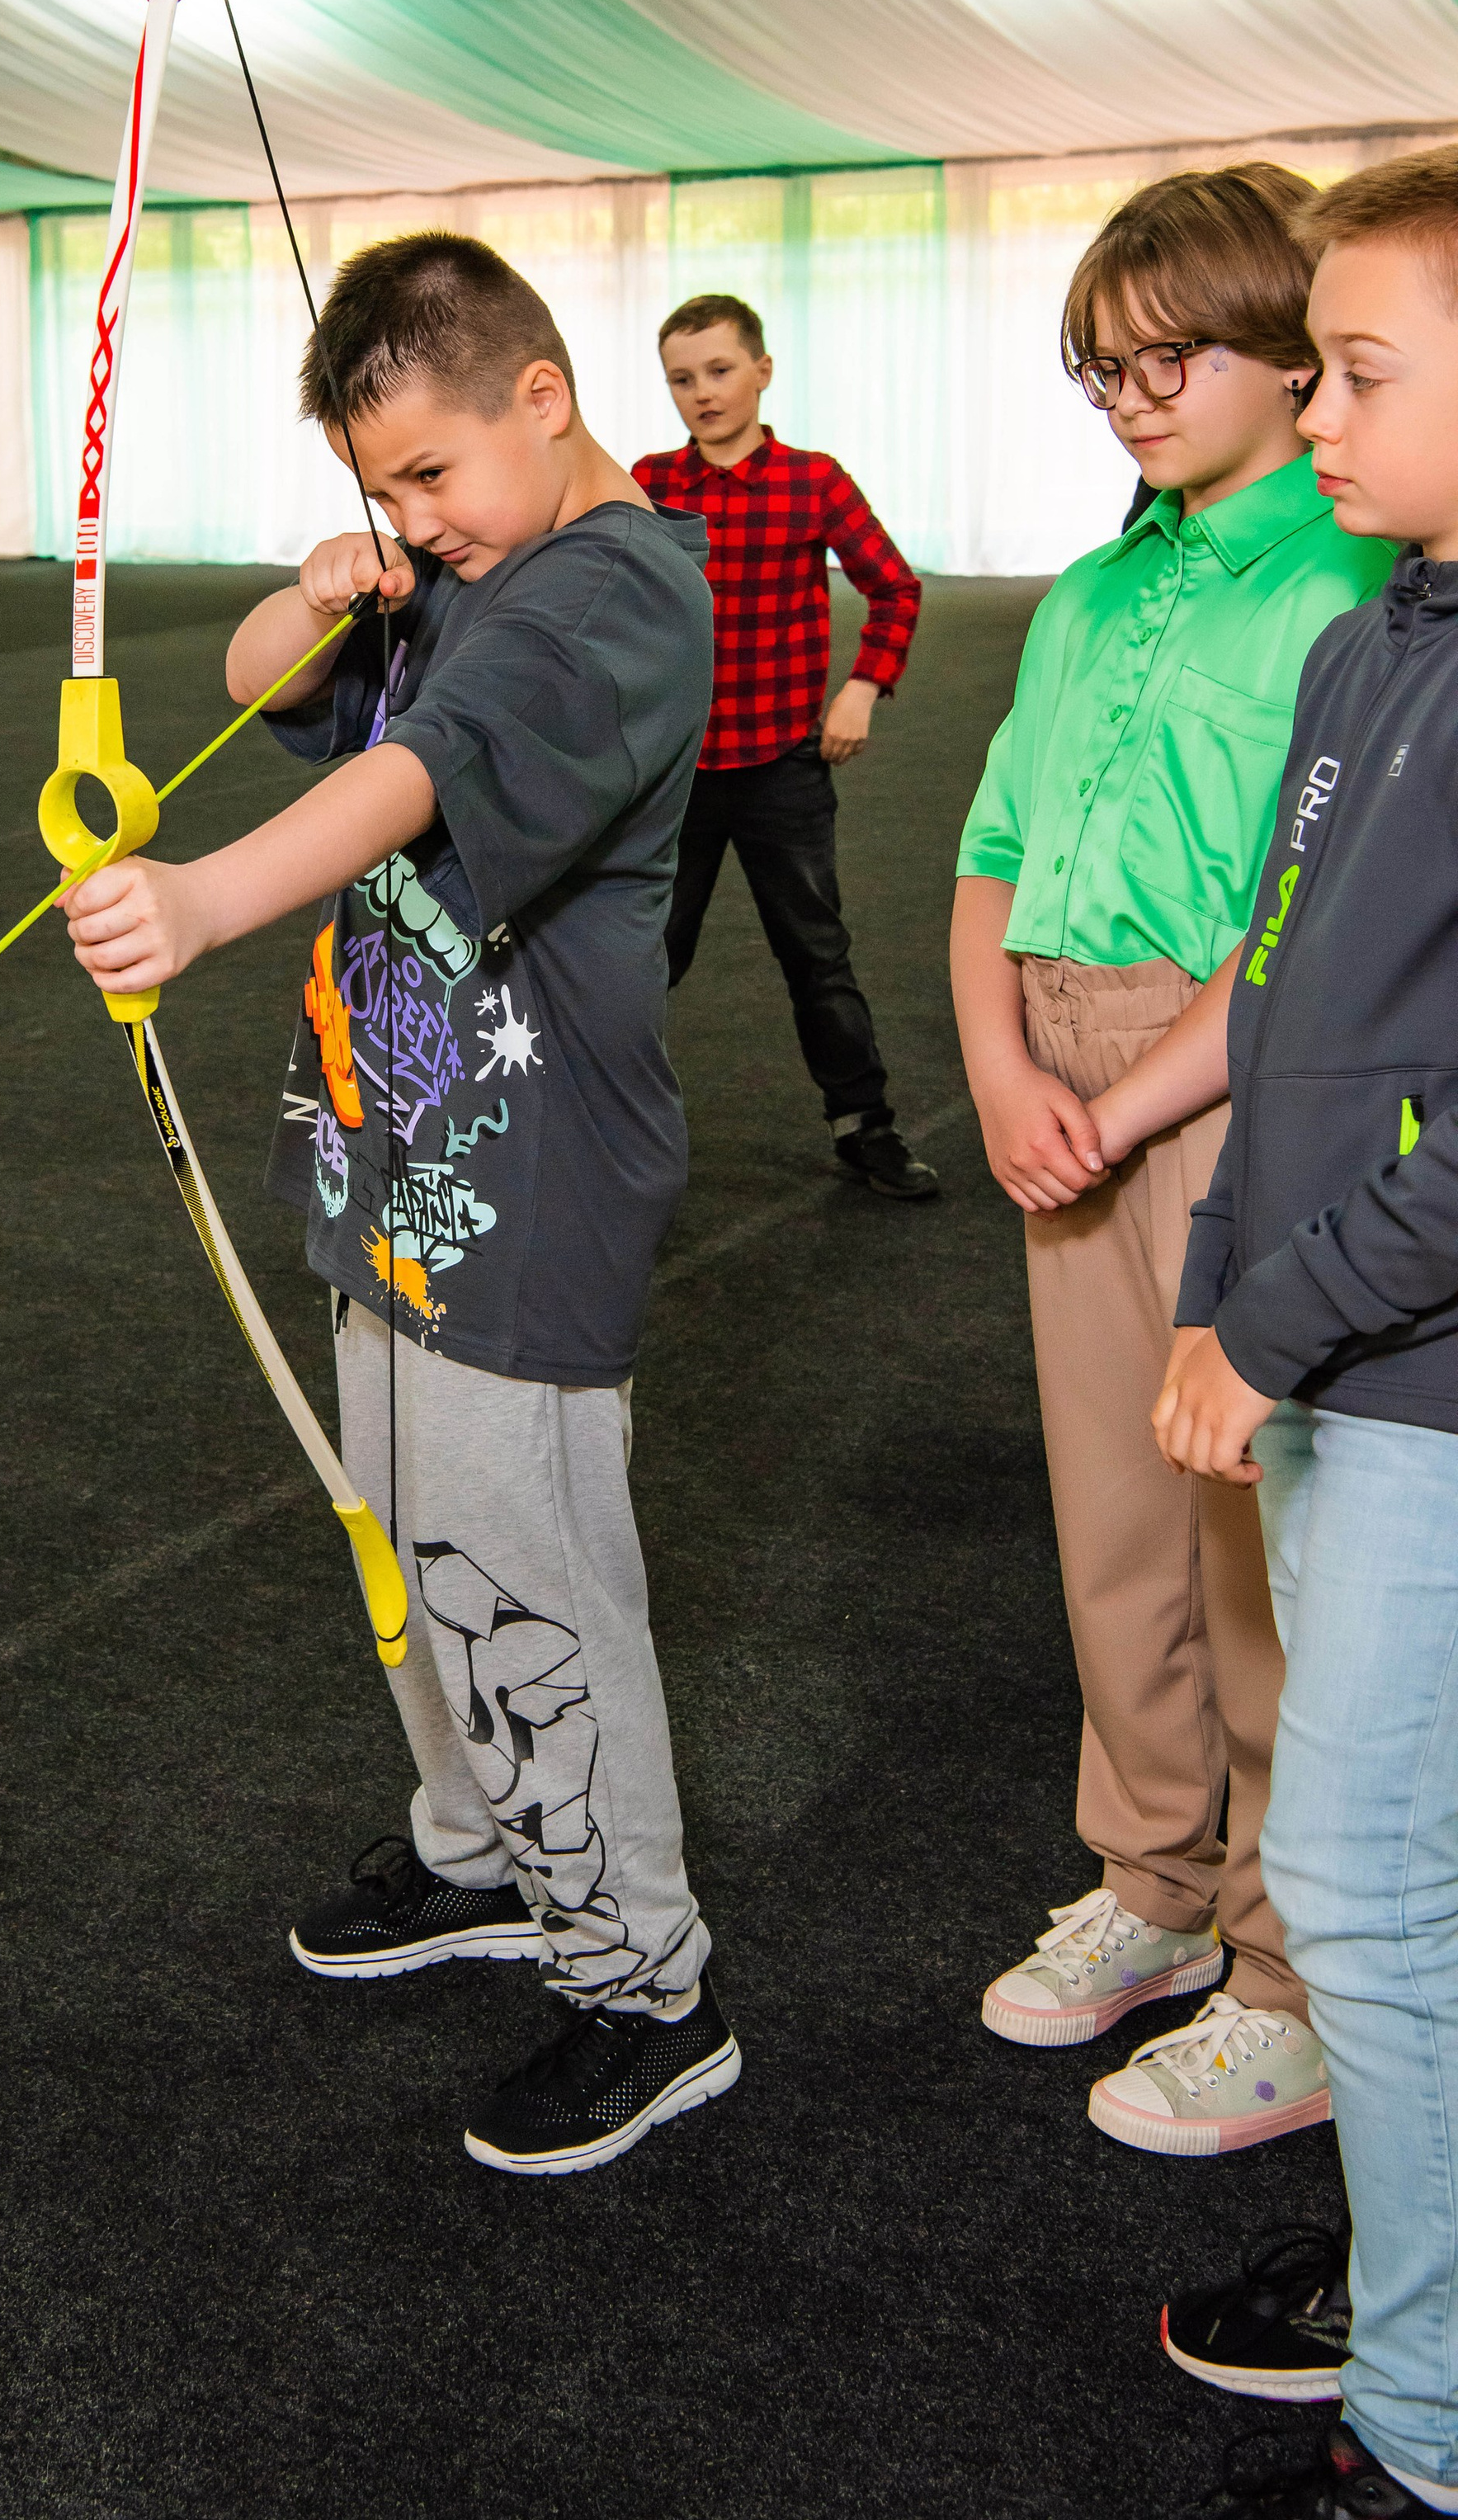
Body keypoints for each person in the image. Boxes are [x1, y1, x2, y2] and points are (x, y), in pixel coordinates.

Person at [59, 231, 737, 2177]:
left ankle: (640, 1980)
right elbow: (263, 676)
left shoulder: (612, 589)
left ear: (541, 391)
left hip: (528, 1187)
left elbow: (418, 769)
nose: (412, 517)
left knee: (523, 1574)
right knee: (415, 1533)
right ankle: (484, 1850)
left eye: (430, 472)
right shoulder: (459, 563)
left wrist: (196, 899)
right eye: (383, 487)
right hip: (401, 1157)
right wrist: (317, 582)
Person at [950, 165, 1392, 2152]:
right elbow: (982, 857)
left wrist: (1123, 1103)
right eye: (1097, 365)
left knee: (1252, 1536)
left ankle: (1290, 1961)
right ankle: (1148, 1873)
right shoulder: (1084, 589)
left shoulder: (1343, 576)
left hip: (1225, 1078)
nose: (1128, 394)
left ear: (1288, 351)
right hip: (1052, 1065)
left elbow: (1301, 927)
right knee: (1112, 1504)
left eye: (1166, 356)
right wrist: (993, 1066)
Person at [1151, 147, 1458, 2516]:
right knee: (1397, 1874)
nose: (1317, 416)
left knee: (1360, 1883)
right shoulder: (1373, 637)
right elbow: (1281, 996)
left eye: (1365, 371)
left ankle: (1431, 2421)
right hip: (1331, 1356)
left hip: (1423, 1377)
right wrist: (1218, 1290)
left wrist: (1285, 1324)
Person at [631, 294, 938, 1200]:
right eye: (682, 379)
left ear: (761, 371)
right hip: (673, 776)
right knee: (647, 959)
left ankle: (864, 1126)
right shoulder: (649, 483)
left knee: (816, 952)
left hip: (780, 767)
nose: (702, 393)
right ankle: (594, 1123)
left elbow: (894, 588)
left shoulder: (813, 481)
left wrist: (862, 686)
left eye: (719, 371)